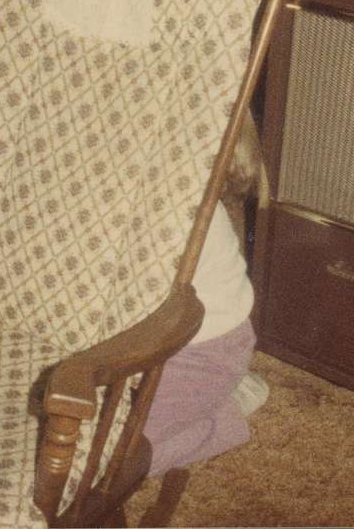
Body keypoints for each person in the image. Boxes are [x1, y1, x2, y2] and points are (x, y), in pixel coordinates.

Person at [143, 108, 271, 476]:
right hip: (140, 340)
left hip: (201, 354)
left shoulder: (181, 207)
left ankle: (226, 412)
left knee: (105, 457)